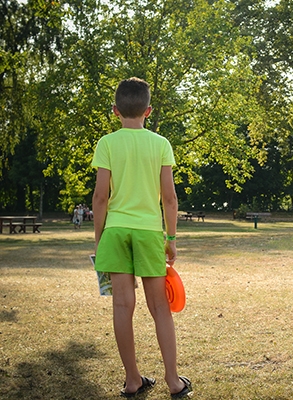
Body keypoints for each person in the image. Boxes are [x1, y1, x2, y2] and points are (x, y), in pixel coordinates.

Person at [92, 77, 192, 398]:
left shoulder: (107, 143)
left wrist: (99, 240)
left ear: (115, 110)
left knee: (123, 305)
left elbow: (100, 198)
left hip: (116, 231)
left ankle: (133, 379)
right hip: (150, 232)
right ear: (148, 110)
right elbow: (170, 198)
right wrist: (172, 238)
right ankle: (173, 381)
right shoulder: (161, 144)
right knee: (159, 307)